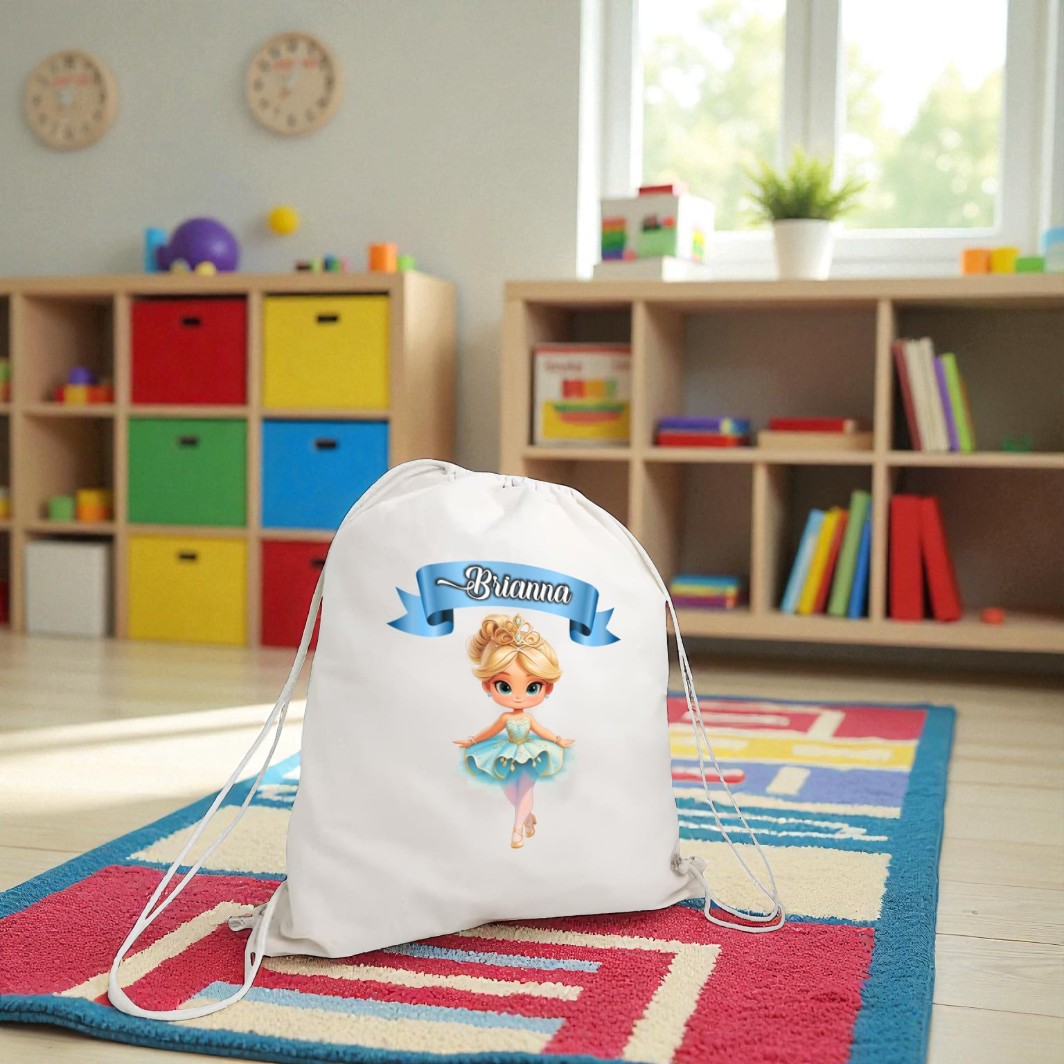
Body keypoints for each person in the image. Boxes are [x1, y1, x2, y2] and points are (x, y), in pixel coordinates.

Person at [454, 614, 574, 849]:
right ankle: (527, 817)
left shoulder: (528, 718)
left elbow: (542, 730)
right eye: (505, 686)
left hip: (532, 753)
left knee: (526, 788)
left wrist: (558, 740)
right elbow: (490, 731)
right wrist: (472, 741)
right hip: (505, 752)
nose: (518, 696)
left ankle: (517, 830)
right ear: (488, 685)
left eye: (532, 687)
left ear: (547, 688)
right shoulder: (505, 718)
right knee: (510, 790)